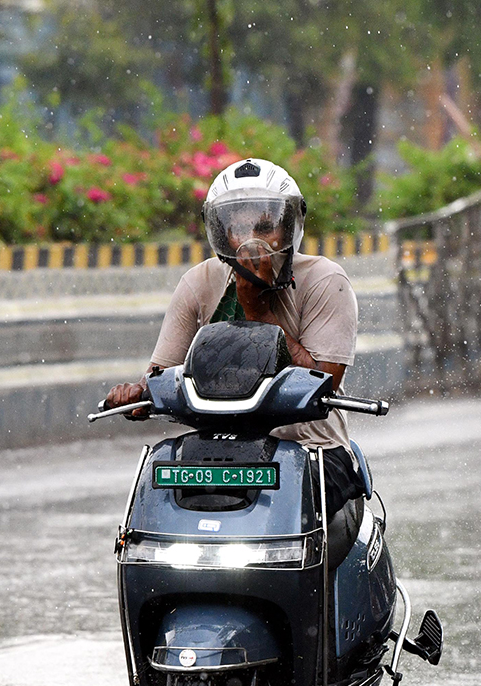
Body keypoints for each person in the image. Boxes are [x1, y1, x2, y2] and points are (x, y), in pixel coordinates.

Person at [106, 157, 364, 524]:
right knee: (151, 512)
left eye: (265, 226)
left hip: (312, 451)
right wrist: (137, 393)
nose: (250, 241)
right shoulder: (198, 283)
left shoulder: (325, 280)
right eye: (237, 227)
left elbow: (323, 386)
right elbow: (161, 376)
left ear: (289, 227)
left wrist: (258, 312)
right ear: (221, 233)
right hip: (216, 453)